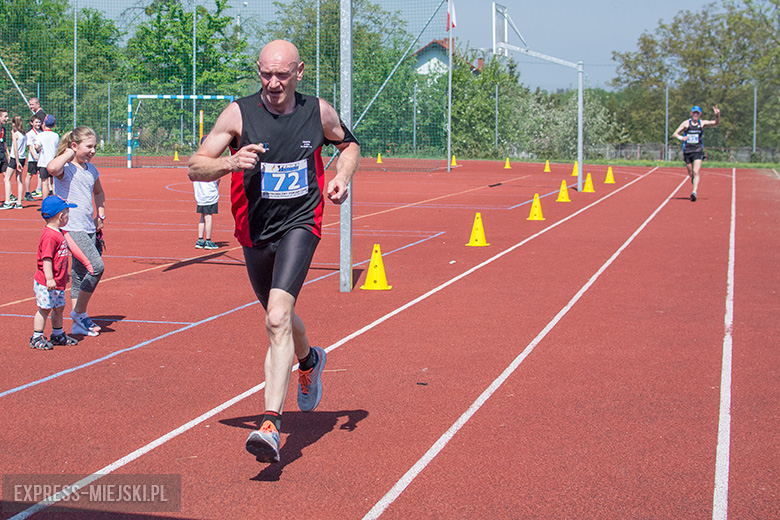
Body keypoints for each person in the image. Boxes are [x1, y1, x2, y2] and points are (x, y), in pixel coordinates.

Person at [188, 39, 360, 464]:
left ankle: (270, 425)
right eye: (266, 73)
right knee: (278, 317)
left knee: (278, 317)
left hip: (302, 223)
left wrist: (341, 175)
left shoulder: (317, 112)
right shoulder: (238, 113)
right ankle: (310, 359)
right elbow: (195, 164)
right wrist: (229, 163)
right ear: (258, 70)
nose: (273, 82)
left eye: (282, 74)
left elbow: (350, 145)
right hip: (255, 233)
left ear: (299, 71)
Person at [47, 126, 106, 338]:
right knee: (97, 267)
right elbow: (52, 168)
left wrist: (101, 214)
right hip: (70, 228)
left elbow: (98, 192)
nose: (93, 150)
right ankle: (79, 313)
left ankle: (78, 322)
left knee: (80, 274)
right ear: (74, 146)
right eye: (89, 146)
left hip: (88, 227)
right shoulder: (66, 168)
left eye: (95, 147)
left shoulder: (91, 169)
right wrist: (69, 153)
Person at [31, 196, 85, 350]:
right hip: (46, 282)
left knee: (59, 308)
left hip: (58, 282)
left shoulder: (59, 232)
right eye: (68, 213)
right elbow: (46, 259)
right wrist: (49, 278)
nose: (69, 216)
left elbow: (58, 259)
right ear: (61, 216)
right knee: (44, 309)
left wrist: (63, 275)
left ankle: (57, 333)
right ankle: (36, 336)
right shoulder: (49, 235)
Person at [672, 105, 720, 202]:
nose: (695, 115)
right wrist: (681, 138)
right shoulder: (686, 123)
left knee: (696, 171)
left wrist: (717, 115)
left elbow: (715, 123)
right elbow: (674, 134)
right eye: (694, 113)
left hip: (697, 150)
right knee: (691, 173)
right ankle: (693, 180)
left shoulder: (702, 123)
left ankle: (694, 192)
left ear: (700, 114)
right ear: (691, 113)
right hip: (688, 151)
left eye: (697, 113)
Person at [2, 116, 26, 209]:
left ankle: (7, 201)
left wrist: (16, 161)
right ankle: (19, 202)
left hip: (15, 158)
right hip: (23, 157)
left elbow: (15, 149)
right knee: (19, 180)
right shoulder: (24, 134)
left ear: (14, 124)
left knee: (7, 178)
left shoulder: (15, 134)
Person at [35, 115, 60, 200]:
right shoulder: (56, 135)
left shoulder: (40, 135)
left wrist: (38, 150)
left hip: (43, 162)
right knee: (53, 183)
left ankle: (45, 203)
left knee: (44, 183)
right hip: (53, 162)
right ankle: (56, 200)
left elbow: (36, 146)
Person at [193, 176, 220, 250]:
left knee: (202, 217)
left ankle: (200, 240)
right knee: (208, 217)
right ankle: (208, 241)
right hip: (209, 196)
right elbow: (217, 179)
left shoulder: (196, 171)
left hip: (200, 196)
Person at [24, 115, 41, 200]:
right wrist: (34, 155)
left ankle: (39, 190)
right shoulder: (30, 134)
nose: (38, 124)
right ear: (32, 123)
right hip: (33, 159)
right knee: (29, 174)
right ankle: (27, 193)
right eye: (36, 122)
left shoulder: (41, 132)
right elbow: (30, 146)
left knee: (41, 174)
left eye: (39, 122)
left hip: (41, 158)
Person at [0, 110, 9, 208]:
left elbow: (4, 142)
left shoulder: (3, 129)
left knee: (6, 175)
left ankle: (8, 196)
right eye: (5, 117)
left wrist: (8, 154)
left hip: (2, 155)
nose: (7, 119)